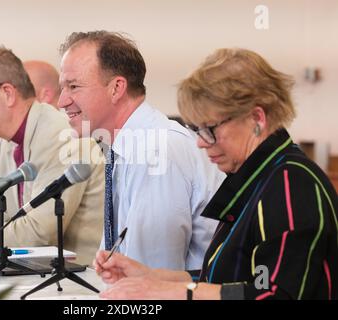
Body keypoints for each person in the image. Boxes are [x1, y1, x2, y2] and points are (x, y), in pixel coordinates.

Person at [94, 48, 338, 300]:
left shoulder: (290, 184)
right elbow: (228, 278)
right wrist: (152, 277)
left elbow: (276, 295)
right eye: (196, 129)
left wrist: (175, 292)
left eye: (209, 129)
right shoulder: (258, 177)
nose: (200, 142)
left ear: (256, 118)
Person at [58, 31, 225, 271]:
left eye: (73, 86)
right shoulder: (128, 146)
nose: (61, 101)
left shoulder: (157, 150)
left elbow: (152, 278)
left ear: (116, 88)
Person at [0, 46, 105, 265]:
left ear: (8, 93)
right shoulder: (9, 139)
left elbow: (39, 234)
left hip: (82, 280)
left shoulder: (59, 136)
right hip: (38, 270)